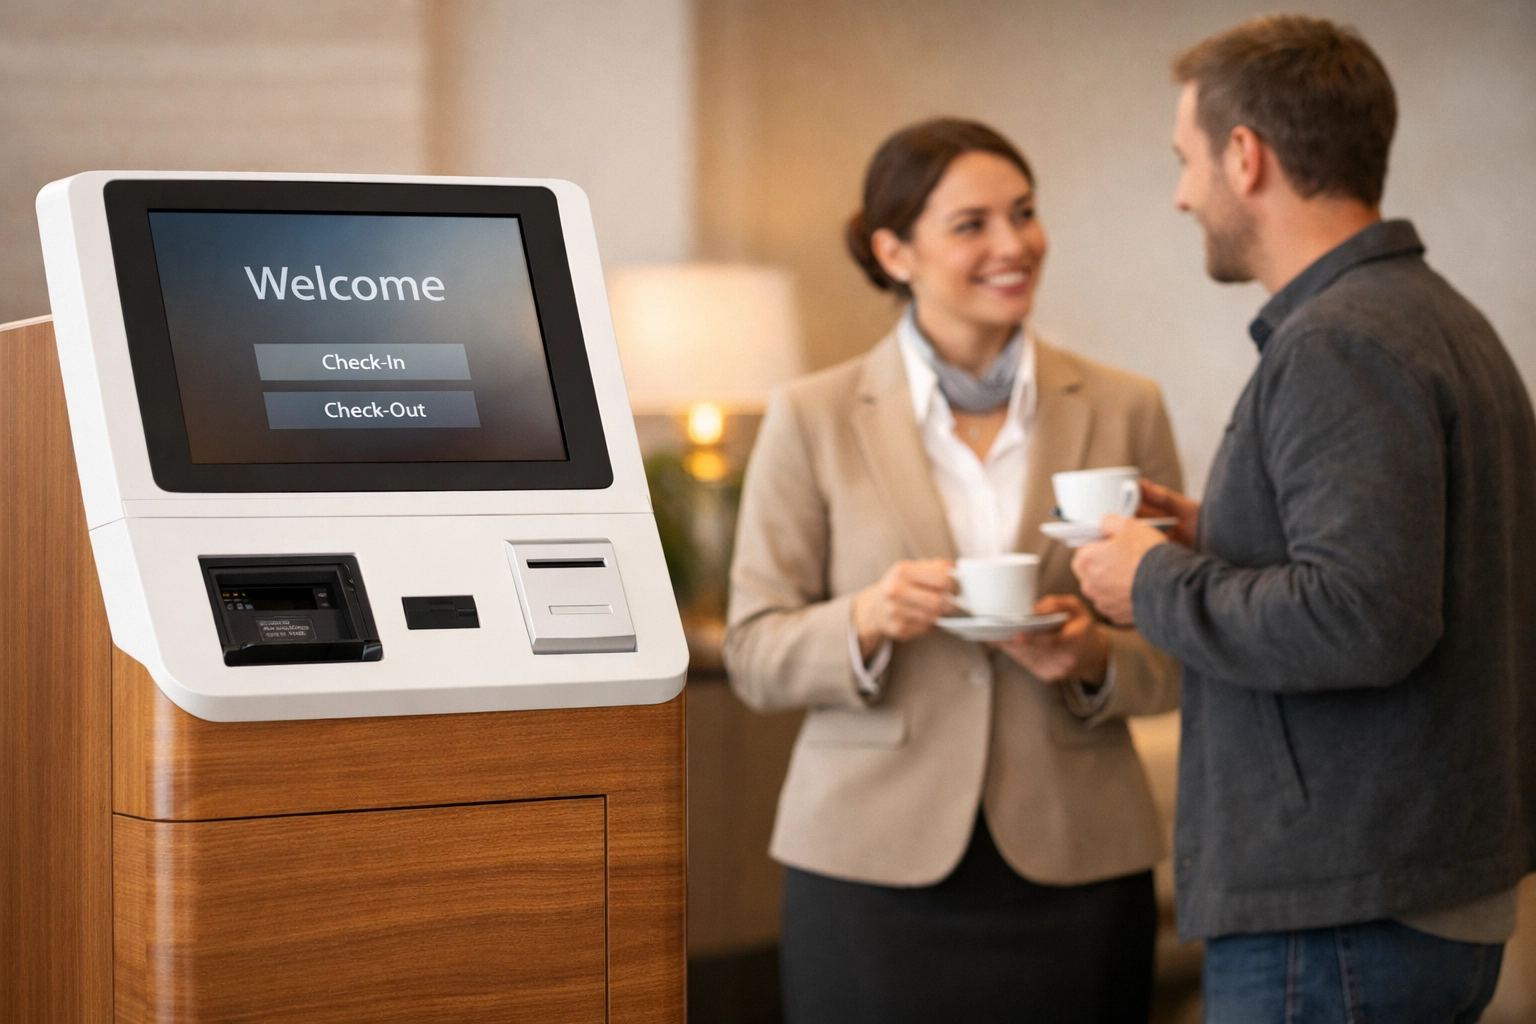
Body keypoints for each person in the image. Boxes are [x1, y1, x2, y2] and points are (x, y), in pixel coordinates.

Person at [1070, 16, 1536, 1022]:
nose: (1180, 194)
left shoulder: (1339, 342)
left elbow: (1364, 613)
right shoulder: (1438, 317)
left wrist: (1152, 581)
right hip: (1402, 895)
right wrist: (1219, 529)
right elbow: (1406, 559)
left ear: (1245, 155)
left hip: (1340, 912)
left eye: (1186, 160)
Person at [724, 117, 1183, 1024]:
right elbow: (753, 653)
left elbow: (1179, 649)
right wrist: (866, 617)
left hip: (1078, 857)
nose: (1014, 245)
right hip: (867, 864)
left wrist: (1093, 657)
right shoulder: (812, 415)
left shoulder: (1126, 407)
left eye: (1024, 213)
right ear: (894, 251)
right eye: (972, 224)